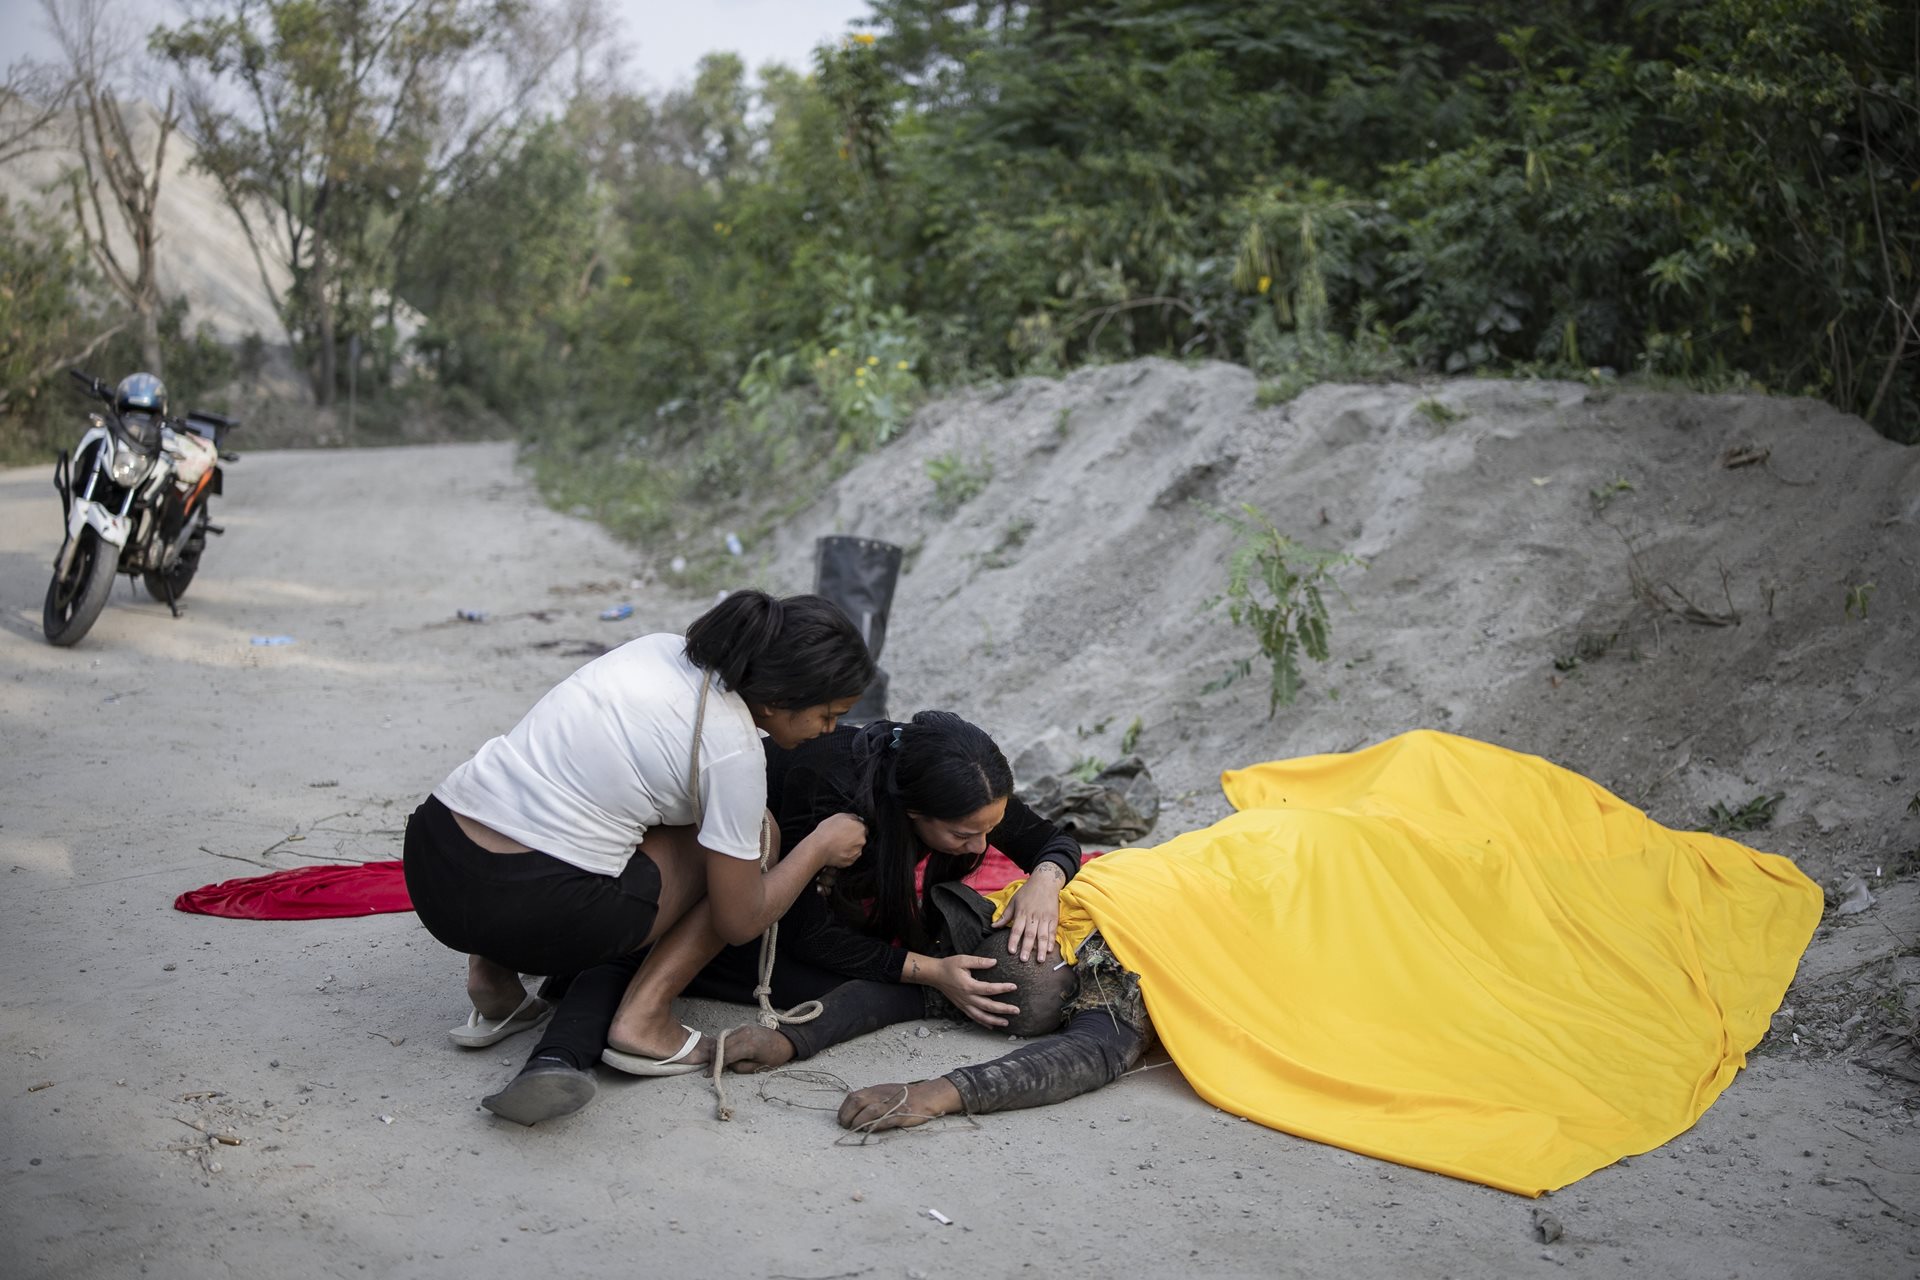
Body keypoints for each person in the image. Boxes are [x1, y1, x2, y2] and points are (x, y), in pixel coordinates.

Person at [403, 590, 875, 1123]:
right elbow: (740, 921)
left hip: (435, 862)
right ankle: (644, 1020)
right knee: (757, 836)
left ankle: (493, 985)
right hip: (537, 909)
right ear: (776, 701)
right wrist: (817, 847)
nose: (831, 731)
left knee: (562, 809)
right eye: (829, 714)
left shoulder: (656, 650)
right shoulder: (733, 753)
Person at [483, 710, 1085, 1124]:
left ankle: (570, 1031)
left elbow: (1052, 840)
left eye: (990, 829)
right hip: (722, 884)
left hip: (777, 905)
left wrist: (1045, 879)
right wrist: (929, 970)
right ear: (910, 809)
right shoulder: (829, 786)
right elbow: (804, 931)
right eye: (963, 833)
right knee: (657, 954)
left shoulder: (963, 783)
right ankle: (556, 1061)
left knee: (852, 978)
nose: (983, 848)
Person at [713, 883, 1153, 1132]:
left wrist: (934, 1094)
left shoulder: (1122, 974)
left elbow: (1092, 1054)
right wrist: (792, 1036)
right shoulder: (1013, 912)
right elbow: (905, 992)